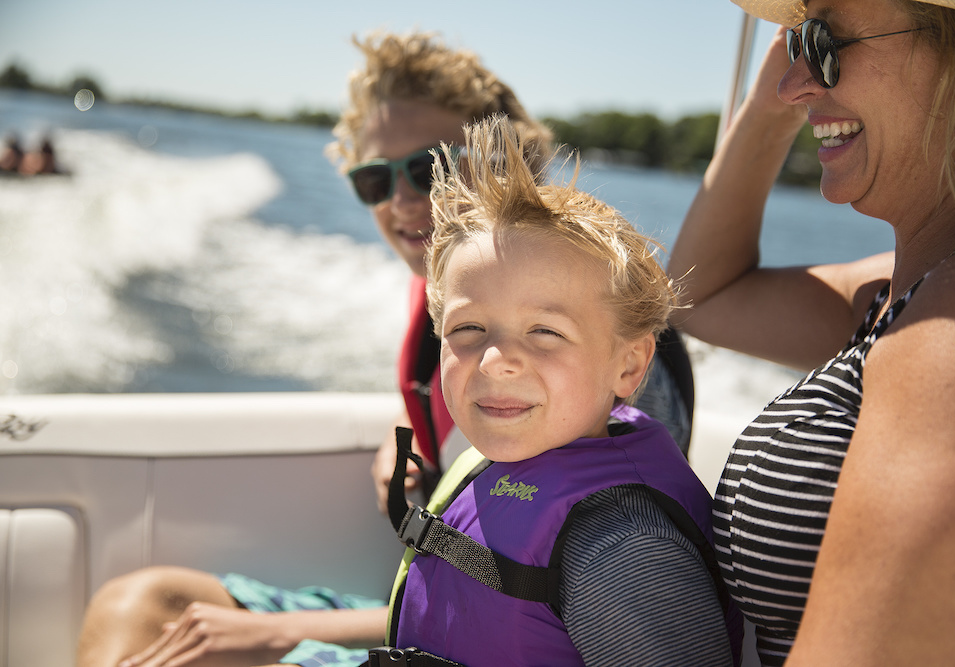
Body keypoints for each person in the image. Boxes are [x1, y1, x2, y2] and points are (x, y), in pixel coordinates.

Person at [76, 31, 695, 667]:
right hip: (429, 609)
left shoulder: (604, 344)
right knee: (143, 604)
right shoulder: (446, 306)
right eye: (375, 179)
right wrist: (411, 425)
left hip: (460, 636)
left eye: (430, 169)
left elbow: (582, 579)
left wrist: (282, 634)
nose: (402, 199)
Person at [667, 0, 955, 665]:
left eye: (826, 42)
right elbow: (696, 295)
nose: (794, 83)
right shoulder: (901, 295)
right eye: (794, 44)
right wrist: (767, 112)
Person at [377, 113, 742, 667]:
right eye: (468, 330)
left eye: (546, 333)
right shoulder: (494, 463)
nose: (496, 362)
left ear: (629, 366)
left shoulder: (622, 549)